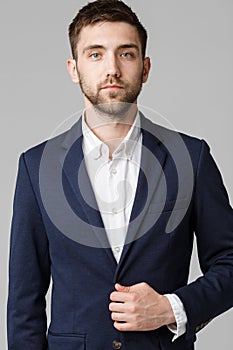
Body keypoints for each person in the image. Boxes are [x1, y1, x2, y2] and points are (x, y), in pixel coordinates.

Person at [7, 0, 233, 349]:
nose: (111, 68)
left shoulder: (192, 157)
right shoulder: (36, 167)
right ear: (74, 67)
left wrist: (171, 308)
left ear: (144, 68)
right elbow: (24, 301)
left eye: (125, 54)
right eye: (95, 54)